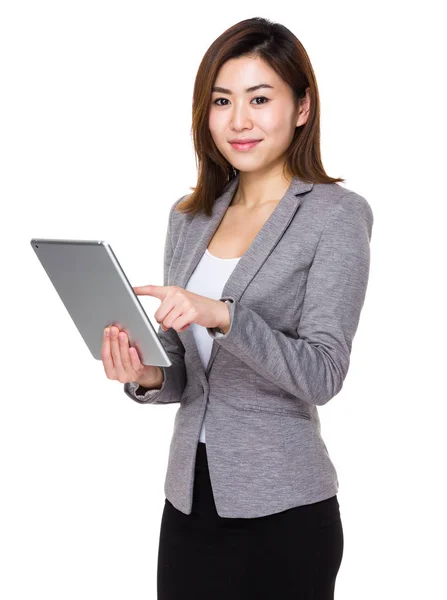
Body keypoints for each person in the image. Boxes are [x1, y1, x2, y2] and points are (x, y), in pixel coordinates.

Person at [101, 16, 373, 600]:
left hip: (285, 509)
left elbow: (323, 374)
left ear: (302, 108)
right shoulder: (189, 215)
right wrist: (147, 374)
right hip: (188, 502)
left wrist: (223, 314)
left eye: (260, 98)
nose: (239, 120)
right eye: (223, 100)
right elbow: (186, 372)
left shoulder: (336, 216)